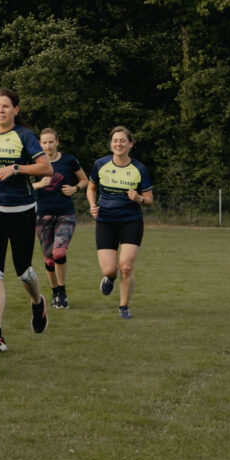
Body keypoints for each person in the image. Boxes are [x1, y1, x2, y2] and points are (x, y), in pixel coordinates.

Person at [0, 88, 52, 353]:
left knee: (23, 271)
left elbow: (46, 168)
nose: (0, 110)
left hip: (22, 211)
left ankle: (37, 302)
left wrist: (16, 168)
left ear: (15, 110)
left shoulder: (25, 136)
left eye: (5, 106)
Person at [87, 126, 154, 319]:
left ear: (130, 144)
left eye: (123, 140)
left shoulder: (139, 169)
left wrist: (139, 198)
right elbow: (91, 188)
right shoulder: (100, 164)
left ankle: (124, 306)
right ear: (110, 144)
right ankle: (110, 278)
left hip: (130, 221)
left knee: (126, 266)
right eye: (115, 140)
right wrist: (92, 205)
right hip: (105, 221)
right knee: (109, 269)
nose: (119, 144)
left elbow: (149, 199)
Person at [33, 128, 89, 309]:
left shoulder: (69, 160)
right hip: (43, 215)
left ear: (57, 142)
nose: (48, 146)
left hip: (66, 213)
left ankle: (63, 292)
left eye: (51, 142)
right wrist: (38, 184)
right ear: (40, 144)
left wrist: (74, 189)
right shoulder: (35, 162)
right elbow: (22, 186)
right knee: (49, 259)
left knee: (59, 253)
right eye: (44, 142)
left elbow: (84, 180)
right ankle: (55, 292)